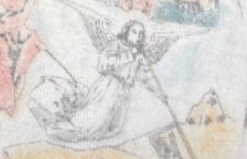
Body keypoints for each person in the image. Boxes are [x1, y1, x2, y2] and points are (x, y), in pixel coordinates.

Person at [29, 21, 167, 142]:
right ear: (127, 32)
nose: (138, 36)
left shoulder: (138, 56)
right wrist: (128, 55)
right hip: (108, 88)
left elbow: (146, 77)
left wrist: (160, 94)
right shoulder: (117, 45)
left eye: (141, 34)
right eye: (134, 32)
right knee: (92, 124)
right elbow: (103, 64)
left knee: (112, 129)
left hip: (122, 95)